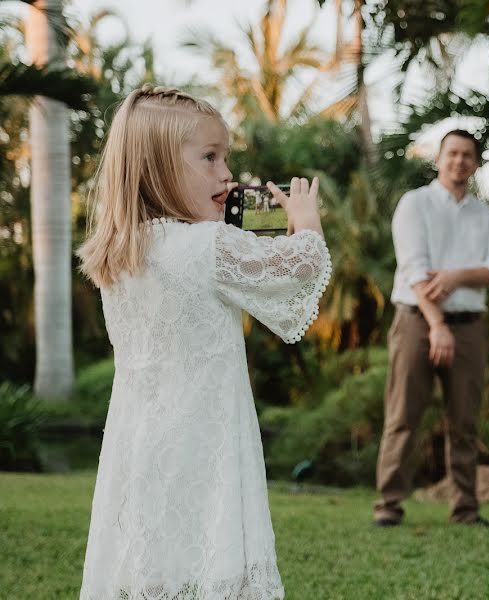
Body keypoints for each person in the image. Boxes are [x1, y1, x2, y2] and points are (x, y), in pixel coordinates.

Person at [77, 84, 331, 598]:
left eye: (226, 158)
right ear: (159, 169)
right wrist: (305, 226)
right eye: (209, 158)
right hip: (207, 437)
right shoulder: (209, 245)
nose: (226, 174)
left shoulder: (121, 254)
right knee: (213, 547)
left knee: (153, 554)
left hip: (141, 440)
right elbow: (300, 271)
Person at [373, 129, 489, 527]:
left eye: (468, 155)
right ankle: (389, 506)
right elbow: (415, 269)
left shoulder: (485, 215)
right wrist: (437, 324)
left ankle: (466, 509)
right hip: (417, 321)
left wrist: (455, 276)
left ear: (476, 163)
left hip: (469, 325)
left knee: (465, 422)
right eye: (452, 153)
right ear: (439, 158)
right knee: (403, 416)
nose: (459, 161)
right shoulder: (414, 204)